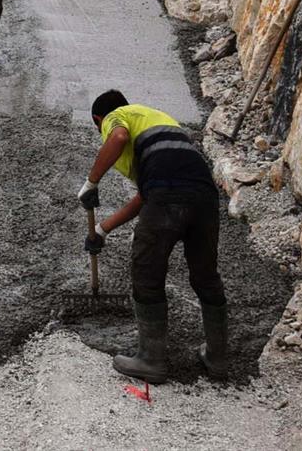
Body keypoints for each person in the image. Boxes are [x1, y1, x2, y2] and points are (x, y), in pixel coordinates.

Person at [79, 89, 228, 382]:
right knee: (205, 276)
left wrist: (91, 181)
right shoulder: (160, 122)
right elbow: (146, 196)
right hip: (204, 197)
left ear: (99, 119)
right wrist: (102, 229)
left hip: (167, 194)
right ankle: (218, 358)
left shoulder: (117, 116)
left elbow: (118, 138)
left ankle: (152, 360)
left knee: (146, 271)